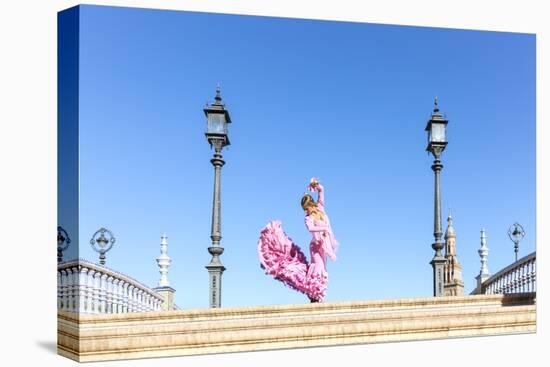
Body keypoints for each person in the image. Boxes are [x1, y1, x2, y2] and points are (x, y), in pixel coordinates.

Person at [258, 178, 339, 302]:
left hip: (324, 247)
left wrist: (316, 185)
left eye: (307, 208)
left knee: (322, 270)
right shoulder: (308, 218)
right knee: (317, 268)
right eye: (304, 210)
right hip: (316, 246)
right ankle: (314, 294)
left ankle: (316, 295)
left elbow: (322, 191)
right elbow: (311, 228)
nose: (306, 211)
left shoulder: (320, 208)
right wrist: (325, 228)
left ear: (311, 205)